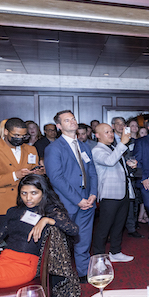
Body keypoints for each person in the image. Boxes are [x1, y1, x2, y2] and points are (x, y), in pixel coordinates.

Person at [0, 174, 78, 290]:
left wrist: (46, 220)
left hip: (24, 265)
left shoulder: (50, 211)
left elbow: (73, 230)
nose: (28, 198)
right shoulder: (14, 211)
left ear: (43, 192)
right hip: (4, 259)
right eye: (24, 193)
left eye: (34, 193)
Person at [44, 110, 98, 278]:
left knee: (84, 240)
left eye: (73, 118)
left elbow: (92, 173)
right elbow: (56, 178)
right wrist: (78, 199)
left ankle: (83, 273)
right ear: (59, 126)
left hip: (88, 201)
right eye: (67, 120)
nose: (72, 122)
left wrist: (94, 194)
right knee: (63, 243)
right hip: (67, 203)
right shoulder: (53, 148)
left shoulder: (83, 146)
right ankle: (63, 277)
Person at [90, 123, 136, 262]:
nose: (110, 134)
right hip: (109, 194)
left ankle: (115, 252)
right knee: (104, 227)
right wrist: (122, 143)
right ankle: (98, 255)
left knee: (119, 225)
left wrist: (128, 166)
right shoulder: (97, 150)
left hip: (122, 192)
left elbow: (116, 165)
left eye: (111, 132)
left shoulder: (113, 148)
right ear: (97, 135)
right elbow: (109, 162)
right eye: (106, 132)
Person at [0, 118, 41, 216]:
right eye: (16, 135)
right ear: (6, 132)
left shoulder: (31, 149)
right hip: (4, 205)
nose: (20, 138)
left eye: (24, 136)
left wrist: (39, 173)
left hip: (28, 204)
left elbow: (34, 170)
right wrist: (14, 175)